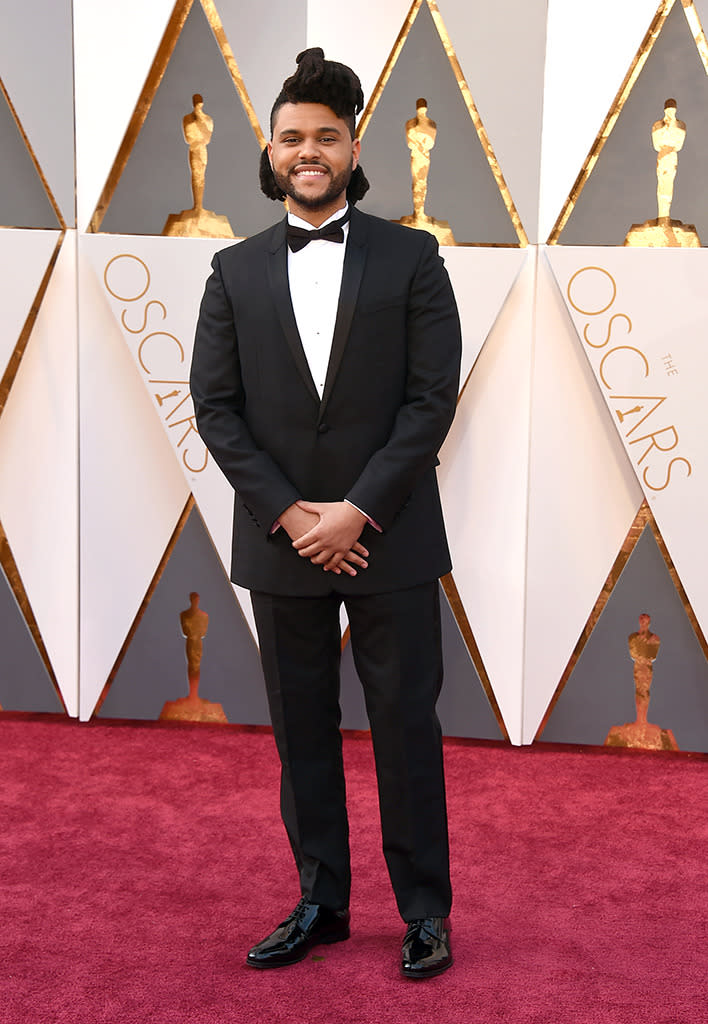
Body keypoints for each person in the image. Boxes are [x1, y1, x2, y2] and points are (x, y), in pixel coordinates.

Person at [190, 47, 461, 979]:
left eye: (327, 137)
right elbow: (215, 409)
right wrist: (292, 515)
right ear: (269, 150)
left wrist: (355, 511)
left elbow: (433, 400)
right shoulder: (231, 270)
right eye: (292, 137)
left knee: (405, 728)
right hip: (282, 544)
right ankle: (321, 902)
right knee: (300, 730)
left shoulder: (414, 255)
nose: (309, 152)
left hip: (388, 536)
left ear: (353, 148)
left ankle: (426, 911)